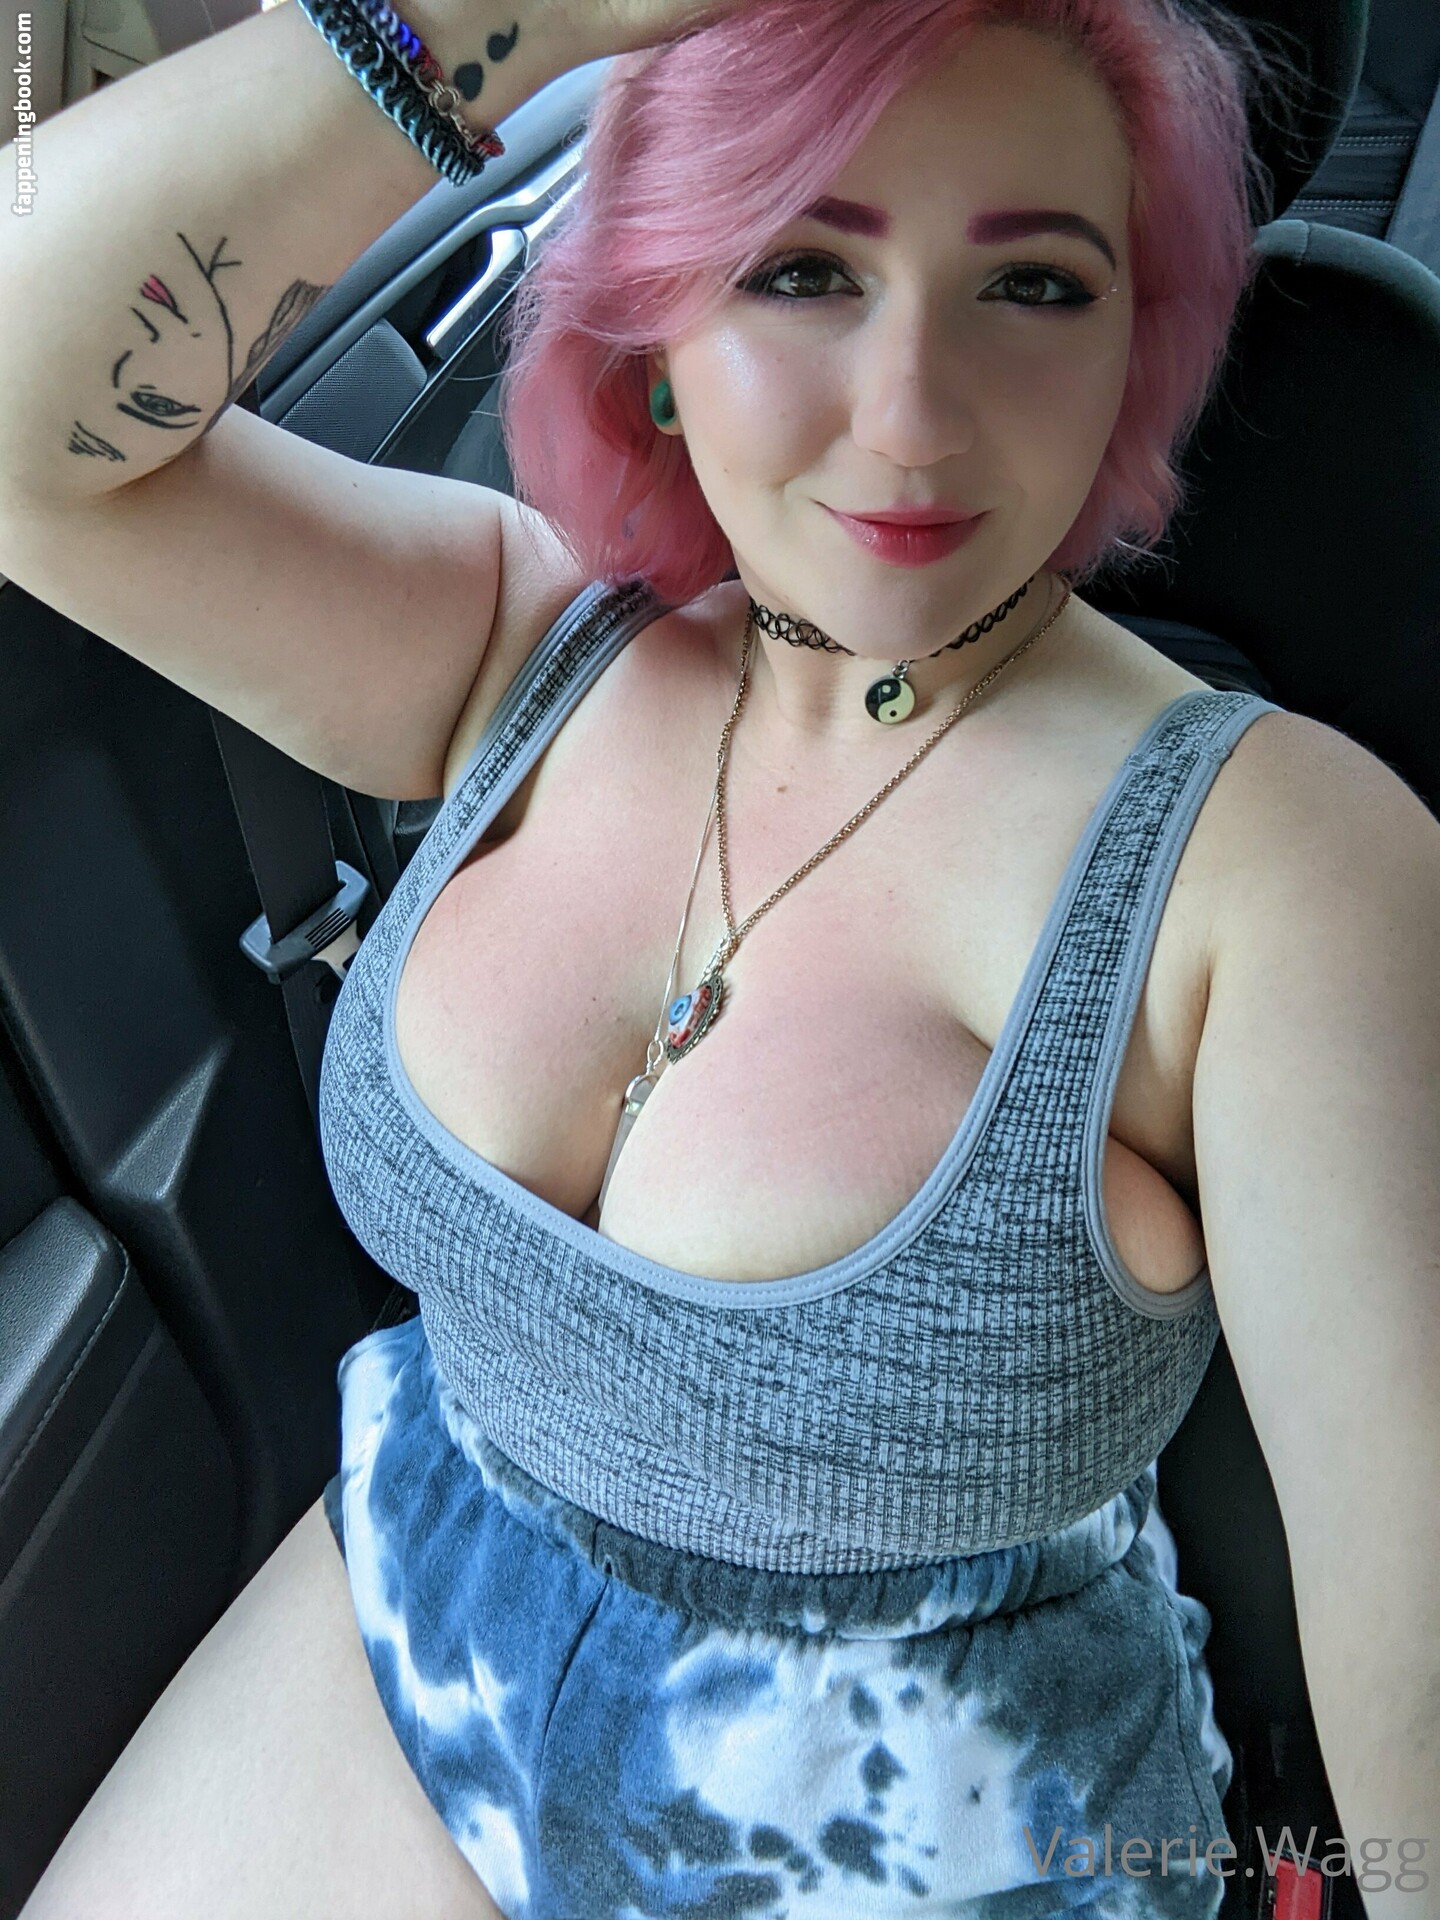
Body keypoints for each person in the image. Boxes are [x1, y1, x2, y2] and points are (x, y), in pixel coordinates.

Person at [4, 0, 1436, 1915]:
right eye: (801, 270)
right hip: (430, 1609)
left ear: (1133, 345)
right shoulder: (521, 647)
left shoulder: (1278, 868)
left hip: (923, 1837)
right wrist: (511, 21)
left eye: (1033, 285)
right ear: (657, 330)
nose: (911, 415)